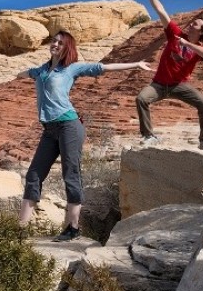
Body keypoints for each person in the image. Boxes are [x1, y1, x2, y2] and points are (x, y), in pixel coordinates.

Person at [17, 30, 152, 242]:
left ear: (67, 48)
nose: (55, 44)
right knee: (33, 174)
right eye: (54, 41)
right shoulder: (41, 70)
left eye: (60, 43)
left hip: (69, 125)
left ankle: (72, 227)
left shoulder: (71, 68)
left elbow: (104, 68)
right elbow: (25, 74)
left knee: (70, 173)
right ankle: (19, 229)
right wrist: (18, 74)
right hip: (49, 129)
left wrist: (135, 65)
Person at [135, 0, 203, 150]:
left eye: (195, 24)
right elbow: (161, 11)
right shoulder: (175, 34)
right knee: (141, 99)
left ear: (201, 32)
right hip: (159, 84)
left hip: (179, 85)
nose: (190, 24)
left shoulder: (197, 47)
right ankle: (149, 136)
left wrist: (187, 44)